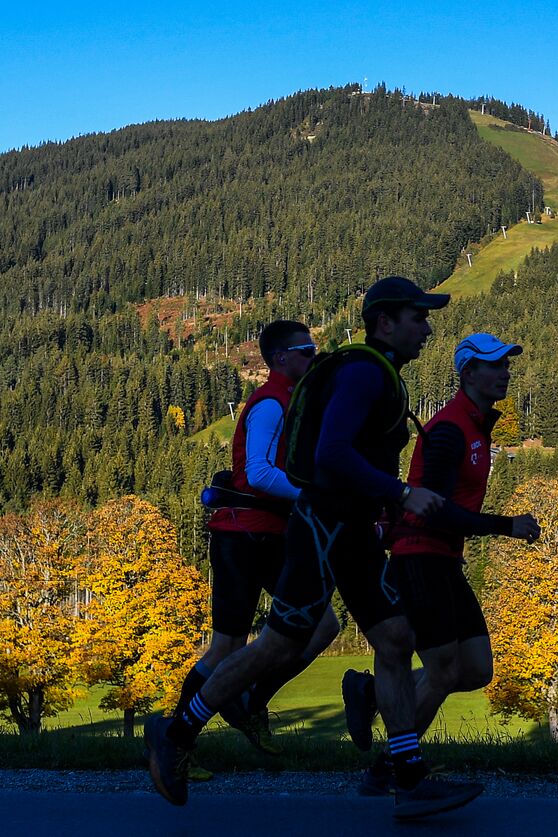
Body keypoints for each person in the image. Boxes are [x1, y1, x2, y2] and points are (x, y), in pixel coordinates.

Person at [147, 276, 483, 820]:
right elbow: (331, 454)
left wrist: (382, 510)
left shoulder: (377, 374)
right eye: (417, 317)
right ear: (385, 323)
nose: (427, 327)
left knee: (395, 640)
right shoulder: (362, 373)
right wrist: (399, 492)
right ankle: (178, 730)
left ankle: (409, 778)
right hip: (323, 530)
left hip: (351, 533)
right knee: (275, 648)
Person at [340, 333, 541, 795]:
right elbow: (430, 506)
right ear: (468, 373)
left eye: (507, 364)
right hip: (419, 557)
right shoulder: (451, 429)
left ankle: (372, 694)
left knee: (476, 669)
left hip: (444, 559)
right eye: (495, 365)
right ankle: (393, 770)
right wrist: (504, 525)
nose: (505, 372)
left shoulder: (474, 425)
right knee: (445, 670)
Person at [173, 322, 340, 779]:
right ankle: (177, 747)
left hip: (272, 534)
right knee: (226, 645)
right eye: (306, 351)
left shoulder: (294, 402)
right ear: (281, 358)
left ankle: (249, 701)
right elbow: (259, 474)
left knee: (323, 625)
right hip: (242, 535)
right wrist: (313, 496)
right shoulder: (270, 402)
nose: (312, 357)